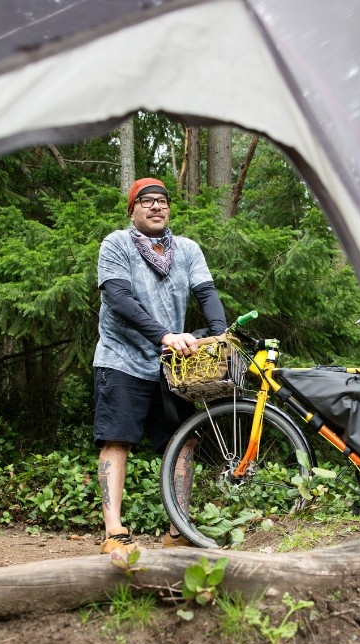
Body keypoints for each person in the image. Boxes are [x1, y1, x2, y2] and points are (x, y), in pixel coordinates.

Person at [92, 178, 227, 554]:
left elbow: (207, 293)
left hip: (172, 365)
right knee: (117, 439)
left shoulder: (186, 249)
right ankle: (114, 533)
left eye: (162, 201)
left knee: (183, 440)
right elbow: (118, 299)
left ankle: (178, 529)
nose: (156, 206)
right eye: (146, 201)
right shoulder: (116, 244)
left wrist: (219, 336)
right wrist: (165, 335)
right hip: (121, 358)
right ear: (132, 209)